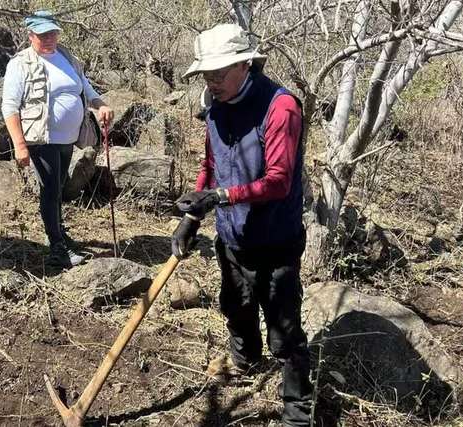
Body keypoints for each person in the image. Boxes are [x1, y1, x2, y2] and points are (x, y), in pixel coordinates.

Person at [171, 24, 313, 426]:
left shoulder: (280, 107)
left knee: (285, 331)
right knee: (236, 306)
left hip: (275, 239)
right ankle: (244, 360)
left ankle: (298, 413)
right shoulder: (215, 105)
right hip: (232, 235)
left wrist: (220, 197)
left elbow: (279, 180)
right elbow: (211, 165)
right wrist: (192, 217)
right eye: (206, 75)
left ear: (245, 63)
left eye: (218, 73)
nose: (211, 82)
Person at [2, 10, 113, 269]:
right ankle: (57, 249)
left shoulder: (66, 57)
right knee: (51, 189)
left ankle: (59, 233)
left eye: (52, 32)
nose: (49, 38)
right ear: (31, 35)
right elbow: (10, 107)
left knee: (59, 187)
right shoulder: (20, 64)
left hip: (68, 138)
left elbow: (84, 86)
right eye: (42, 34)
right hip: (41, 138)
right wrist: (20, 145)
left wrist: (101, 104)